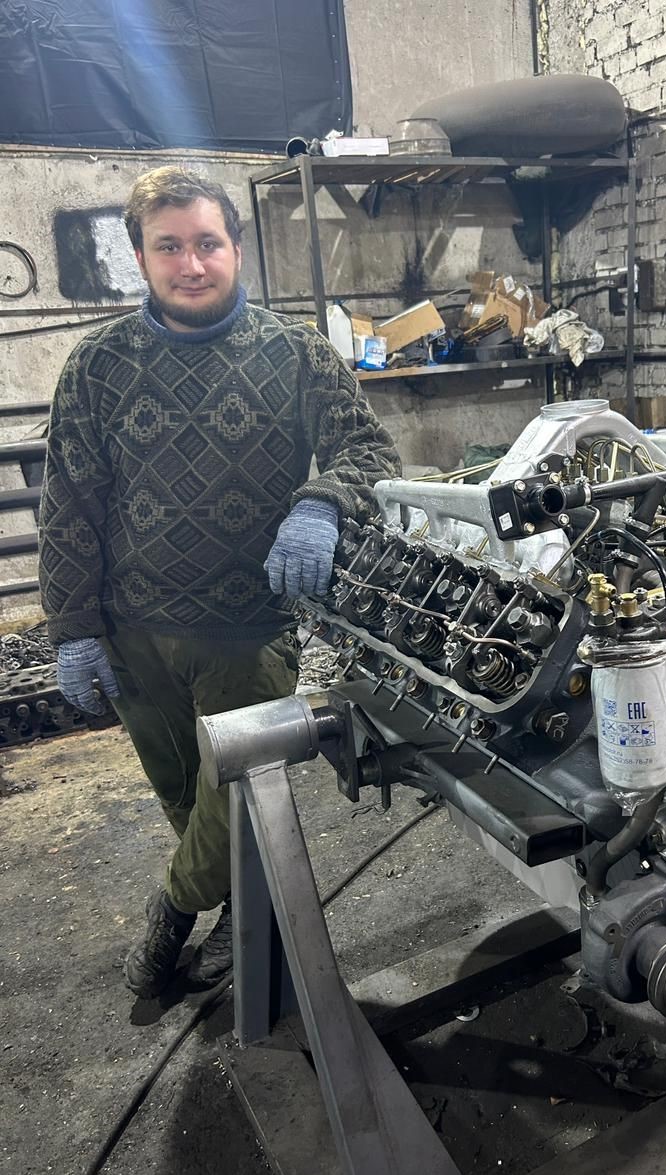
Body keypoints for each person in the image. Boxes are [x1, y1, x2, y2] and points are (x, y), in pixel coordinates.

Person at [39, 166, 400, 999]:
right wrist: (73, 627)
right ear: (140, 258)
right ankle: (246, 919)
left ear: (237, 248)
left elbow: (368, 450)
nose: (192, 264)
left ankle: (173, 909)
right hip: (135, 639)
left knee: (233, 798)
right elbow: (70, 506)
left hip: (250, 633)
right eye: (169, 247)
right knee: (187, 801)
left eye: (207, 243)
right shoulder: (97, 365)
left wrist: (321, 502)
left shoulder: (295, 352)